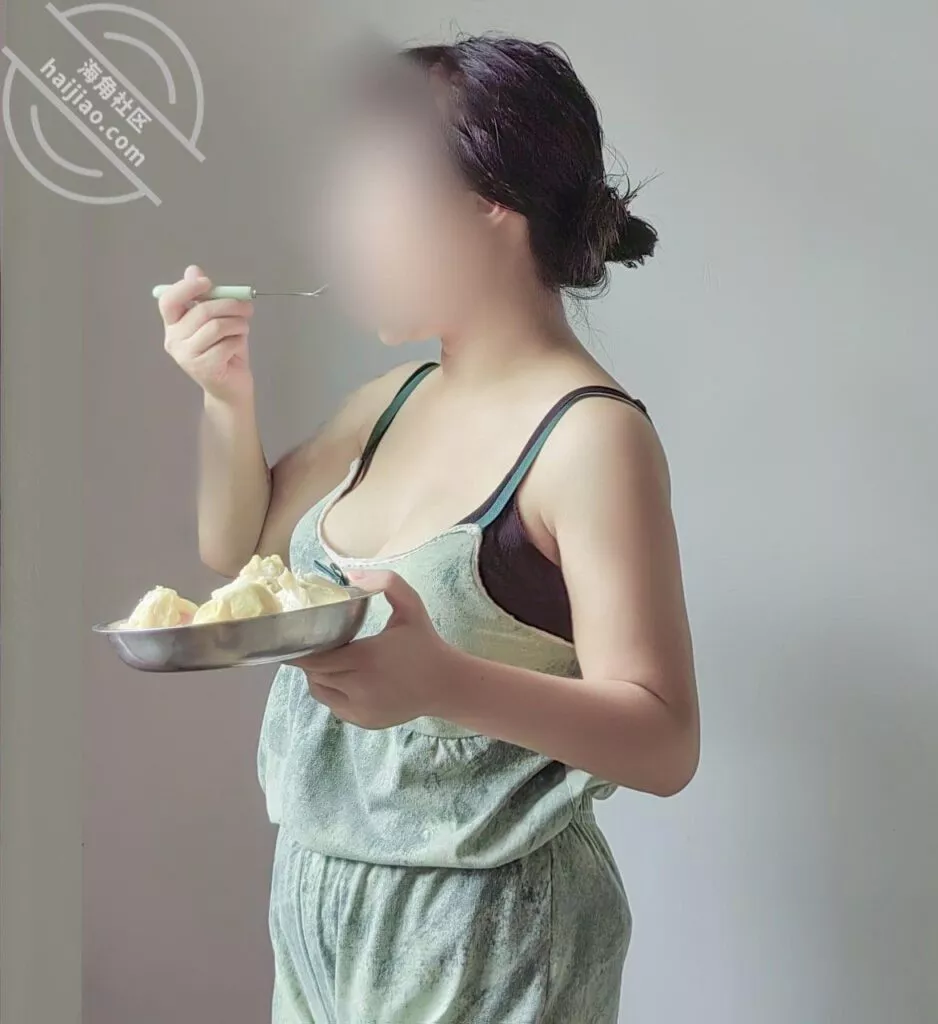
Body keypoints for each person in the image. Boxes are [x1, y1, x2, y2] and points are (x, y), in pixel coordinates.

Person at [159, 34, 699, 1024]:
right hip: (321, 901)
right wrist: (224, 394)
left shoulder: (589, 440)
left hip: (490, 929)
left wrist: (442, 681)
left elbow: (664, 740)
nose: (346, 231)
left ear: (489, 202)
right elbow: (238, 552)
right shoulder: (389, 402)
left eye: (375, 194)